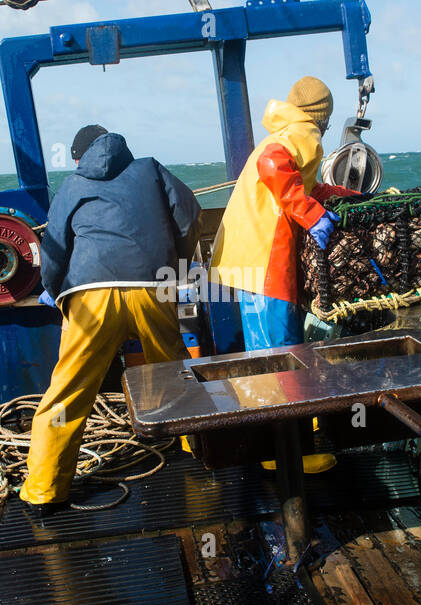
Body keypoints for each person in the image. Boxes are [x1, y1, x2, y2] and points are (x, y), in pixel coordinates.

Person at [21, 125, 201, 517]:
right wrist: (178, 266)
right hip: (152, 286)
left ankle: (44, 490)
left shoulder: (71, 184)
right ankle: (193, 452)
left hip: (90, 296)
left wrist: (52, 288)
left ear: (79, 157)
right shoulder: (151, 169)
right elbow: (188, 218)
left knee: (70, 388)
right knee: (170, 369)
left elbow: (53, 246)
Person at [209, 76, 357, 473]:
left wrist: (338, 198)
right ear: (322, 115)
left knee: (267, 355)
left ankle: (277, 443)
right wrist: (310, 215)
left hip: (246, 260)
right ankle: (286, 452)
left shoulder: (284, 128)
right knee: (281, 356)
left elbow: (297, 182)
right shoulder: (302, 131)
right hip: (264, 262)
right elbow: (273, 164)